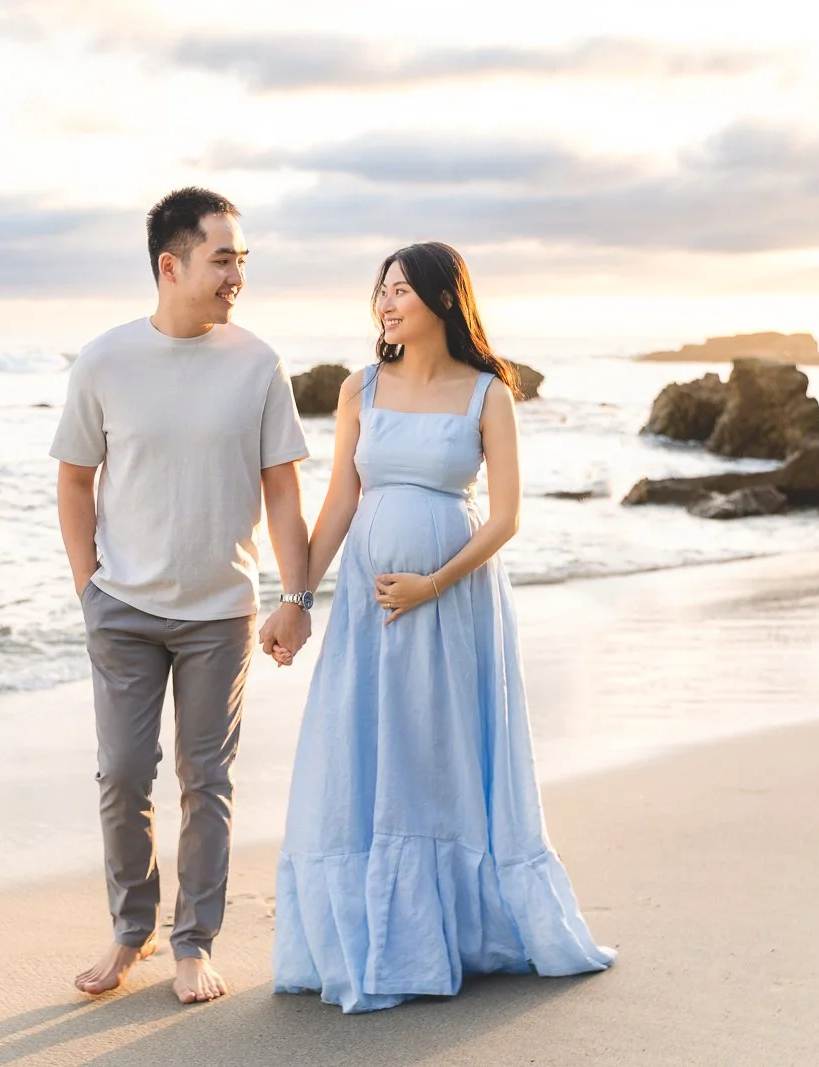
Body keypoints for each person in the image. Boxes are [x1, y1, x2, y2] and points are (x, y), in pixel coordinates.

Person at [269, 242, 615, 1013]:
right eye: (381, 291)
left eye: (401, 290)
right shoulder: (361, 388)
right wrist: (296, 595)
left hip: (454, 602)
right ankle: (373, 933)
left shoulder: (488, 393)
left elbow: (505, 517)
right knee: (366, 747)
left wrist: (433, 581)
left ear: (442, 300)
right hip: (368, 608)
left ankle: (454, 932)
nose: (386, 303)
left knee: (439, 750)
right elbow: (339, 503)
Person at [51, 187, 315, 1004]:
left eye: (242, 257)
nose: (237, 272)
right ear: (171, 265)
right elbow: (73, 477)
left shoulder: (259, 364)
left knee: (208, 779)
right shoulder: (104, 361)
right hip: (123, 609)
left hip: (218, 613)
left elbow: (282, 493)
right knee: (125, 773)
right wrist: (88, 585)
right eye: (222, 257)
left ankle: (194, 939)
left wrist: (296, 595)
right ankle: (134, 930)